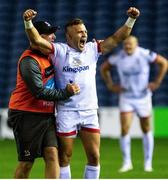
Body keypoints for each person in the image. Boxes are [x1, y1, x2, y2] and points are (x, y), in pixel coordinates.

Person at [22, 7, 140, 179]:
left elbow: (117, 38)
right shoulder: (59, 51)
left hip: (89, 110)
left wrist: (131, 19)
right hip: (66, 111)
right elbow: (37, 41)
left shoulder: (93, 49)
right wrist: (28, 22)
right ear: (69, 36)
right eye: (78, 32)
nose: (83, 34)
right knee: (64, 157)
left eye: (84, 31)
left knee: (94, 156)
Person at [8, 20, 80, 179]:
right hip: (26, 114)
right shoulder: (29, 61)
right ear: (39, 37)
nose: (54, 37)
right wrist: (66, 93)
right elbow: (38, 92)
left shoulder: (49, 56)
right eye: (50, 34)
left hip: (46, 115)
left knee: (52, 155)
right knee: (27, 162)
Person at [100, 35, 168, 172]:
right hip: (126, 97)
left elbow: (164, 63)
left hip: (143, 97)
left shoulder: (144, 54)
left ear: (136, 45)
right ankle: (127, 163)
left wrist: (157, 82)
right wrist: (110, 84)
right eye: (125, 44)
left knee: (146, 128)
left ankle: (148, 163)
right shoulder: (118, 57)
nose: (128, 47)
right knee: (125, 129)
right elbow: (103, 68)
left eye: (130, 44)